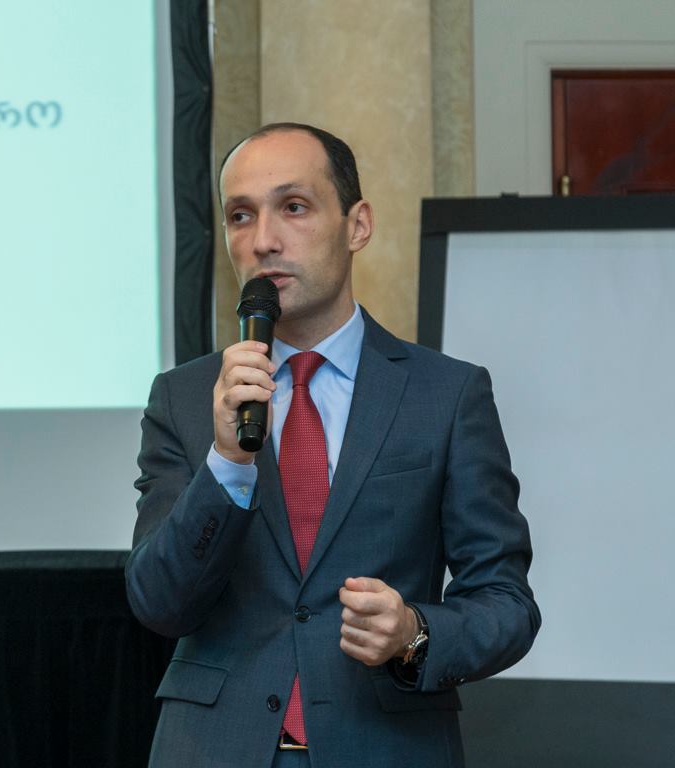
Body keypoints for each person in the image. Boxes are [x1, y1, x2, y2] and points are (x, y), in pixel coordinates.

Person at [126, 122, 539, 767]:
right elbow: (159, 602)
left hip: (385, 747)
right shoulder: (184, 397)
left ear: (358, 225)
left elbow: (506, 603)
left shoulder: (447, 394)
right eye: (240, 215)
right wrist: (228, 462)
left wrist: (414, 633)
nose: (263, 240)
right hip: (214, 750)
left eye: (294, 207)